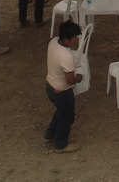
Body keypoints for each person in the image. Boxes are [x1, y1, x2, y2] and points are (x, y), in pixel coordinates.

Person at [45, 20, 83, 153]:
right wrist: (79, 78)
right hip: (62, 91)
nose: (76, 39)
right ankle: (61, 144)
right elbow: (70, 80)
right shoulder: (66, 56)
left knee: (60, 111)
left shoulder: (53, 42)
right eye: (74, 37)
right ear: (66, 40)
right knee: (67, 117)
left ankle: (50, 134)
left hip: (50, 85)